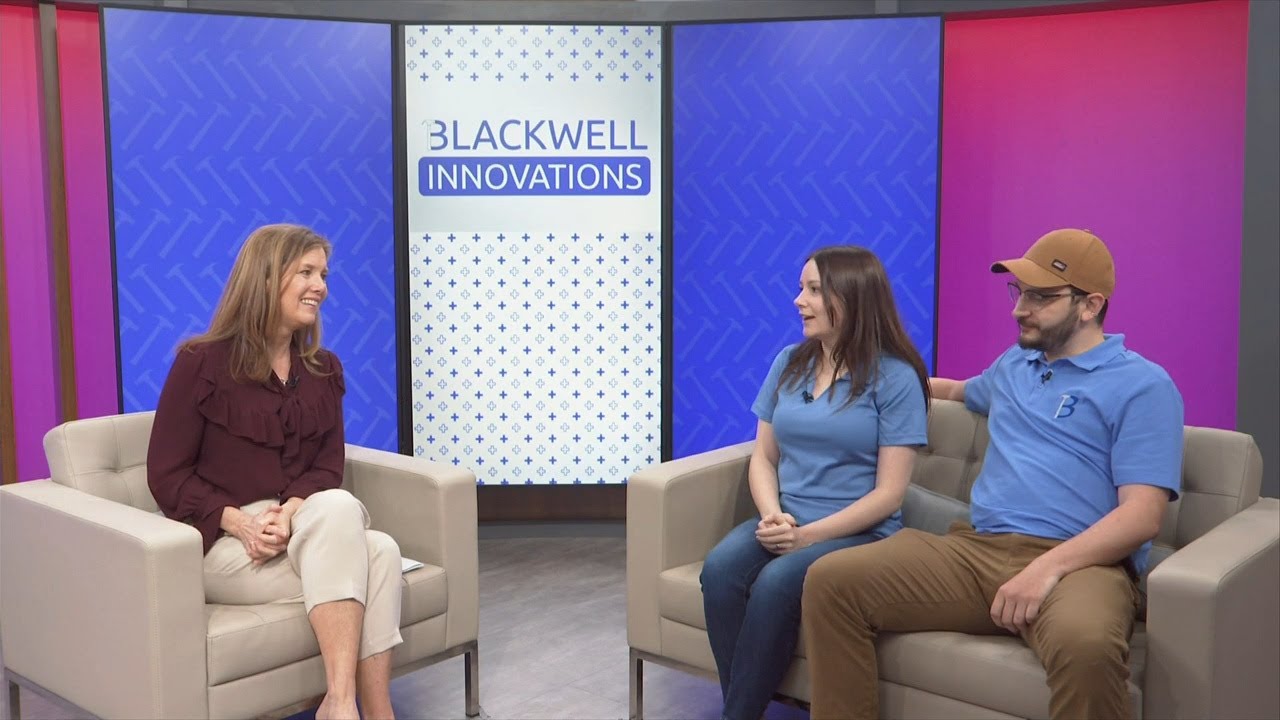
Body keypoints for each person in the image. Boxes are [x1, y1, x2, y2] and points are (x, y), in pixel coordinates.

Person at [802, 229, 1184, 720]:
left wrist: (1045, 570)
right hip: (975, 551)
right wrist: (873, 380)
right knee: (831, 580)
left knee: (1087, 646)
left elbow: (1142, 517)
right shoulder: (1016, 364)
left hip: (1080, 566)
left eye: (1041, 296)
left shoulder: (1144, 386)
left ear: (1090, 305)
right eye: (1019, 292)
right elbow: (958, 391)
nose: (1020, 308)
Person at [147, 224, 401, 720]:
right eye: (306, 272)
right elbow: (166, 474)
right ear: (266, 278)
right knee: (375, 554)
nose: (320, 286)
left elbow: (326, 466)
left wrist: (290, 512)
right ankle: (347, 707)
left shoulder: (324, 369)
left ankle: (355, 707)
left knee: (375, 542)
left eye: (323, 274)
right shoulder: (200, 363)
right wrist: (239, 522)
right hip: (224, 544)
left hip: (300, 528)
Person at [699, 246, 930, 720]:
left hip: (859, 532)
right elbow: (763, 456)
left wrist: (807, 537)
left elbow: (889, 494)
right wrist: (772, 515)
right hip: (787, 518)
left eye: (814, 290)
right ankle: (741, 707)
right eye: (801, 288)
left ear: (852, 297)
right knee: (720, 570)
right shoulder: (790, 362)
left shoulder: (896, 377)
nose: (798, 300)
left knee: (776, 583)